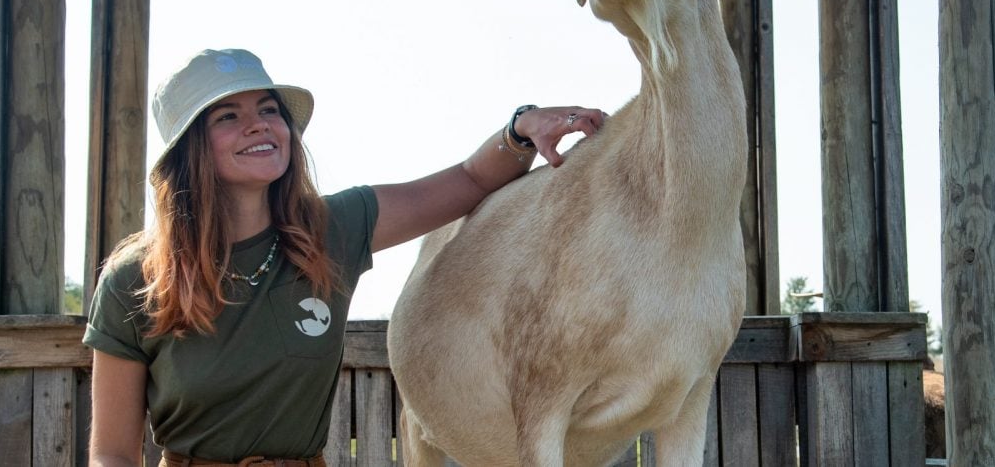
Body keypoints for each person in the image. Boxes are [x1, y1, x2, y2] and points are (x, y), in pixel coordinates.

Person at [85, 48, 605, 467]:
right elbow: (112, 452)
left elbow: (468, 181)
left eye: (269, 110)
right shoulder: (136, 280)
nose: (259, 124)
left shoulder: (333, 230)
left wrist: (520, 129)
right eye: (228, 115)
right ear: (190, 148)